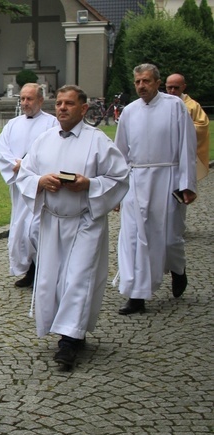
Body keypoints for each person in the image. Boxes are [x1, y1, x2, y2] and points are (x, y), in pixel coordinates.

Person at [17, 85, 129, 370]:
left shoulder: (98, 141)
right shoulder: (43, 140)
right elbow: (25, 175)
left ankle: (69, 340)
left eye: (69, 104)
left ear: (83, 109)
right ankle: (63, 327)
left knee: (78, 278)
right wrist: (40, 182)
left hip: (85, 220)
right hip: (52, 221)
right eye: (59, 104)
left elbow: (120, 177)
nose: (62, 108)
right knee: (51, 280)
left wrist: (89, 184)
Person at [115, 64, 197, 315]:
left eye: (146, 81)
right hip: (136, 180)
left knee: (170, 237)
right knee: (133, 238)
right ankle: (136, 295)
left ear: (157, 82)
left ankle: (178, 268)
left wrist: (187, 184)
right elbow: (119, 152)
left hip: (167, 178)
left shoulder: (174, 107)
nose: (141, 86)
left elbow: (187, 146)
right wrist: (116, 191)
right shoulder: (129, 111)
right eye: (138, 81)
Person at [0, 83, 58, 287]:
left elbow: (53, 152)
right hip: (19, 188)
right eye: (22, 99)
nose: (25, 103)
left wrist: (26, 165)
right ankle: (29, 270)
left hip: (39, 187)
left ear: (40, 100)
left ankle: (44, 270)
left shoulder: (52, 124)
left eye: (29, 99)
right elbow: (3, 150)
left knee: (37, 229)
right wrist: (17, 165)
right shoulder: (12, 125)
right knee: (21, 229)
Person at [165, 73, 210, 181]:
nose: (172, 91)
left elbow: (202, 126)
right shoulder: (161, 103)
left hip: (184, 151)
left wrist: (182, 129)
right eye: (169, 87)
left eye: (176, 87)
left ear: (183, 87)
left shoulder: (193, 106)